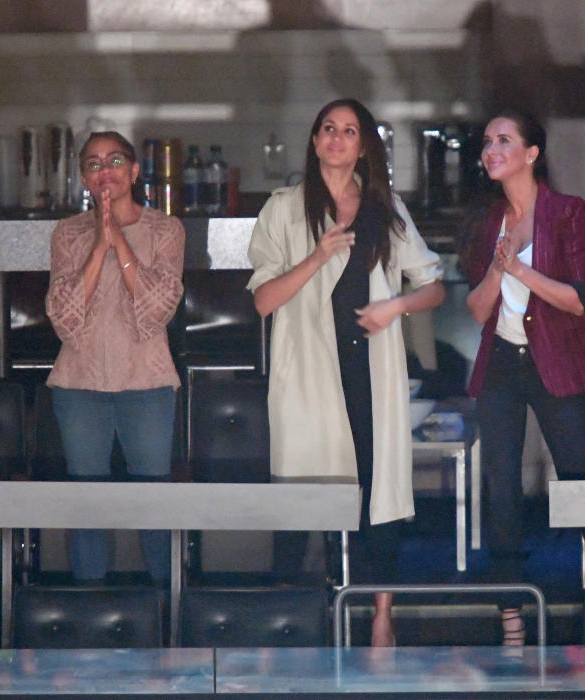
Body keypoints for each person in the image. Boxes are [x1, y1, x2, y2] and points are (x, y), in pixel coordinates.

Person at [247, 98, 445, 646]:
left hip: (368, 368)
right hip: (308, 369)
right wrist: (317, 254)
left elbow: (432, 285)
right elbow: (264, 300)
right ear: (314, 142)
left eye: (349, 130)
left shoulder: (385, 209)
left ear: (364, 145)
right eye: (327, 129)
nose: (337, 138)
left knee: (376, 491)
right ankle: (286, 618)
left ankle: (381, 615)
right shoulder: (284, 208)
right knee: (299, 491)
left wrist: (394, 308)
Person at [464, 110, 585, 645]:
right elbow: (478, 309)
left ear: (532, 154)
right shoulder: (490, 221)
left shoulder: (567, 212)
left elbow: (577, 300)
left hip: (558, 360)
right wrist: (498, 271)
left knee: (580, 480)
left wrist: (521, 270)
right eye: (486, 142)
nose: (491, 150)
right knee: (501, 487)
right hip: (502, 360)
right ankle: (510, 615)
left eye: (504, 140)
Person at [46, 131, 185, 584]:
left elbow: (156, 310)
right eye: (93, 163)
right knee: (88, 506)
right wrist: (98, 246)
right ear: (84, 177)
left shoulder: (166, 230)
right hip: (79, 385)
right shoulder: (67, 234)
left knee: (155, 507)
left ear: (135, 170)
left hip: (146, 383)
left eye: (115, 161)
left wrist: (120, 242)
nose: (105, 171)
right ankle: (89, 624)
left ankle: (167, 617)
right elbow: (65, 319)